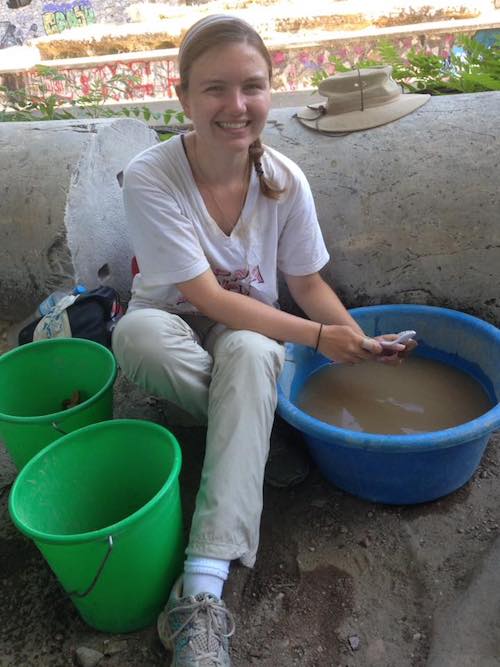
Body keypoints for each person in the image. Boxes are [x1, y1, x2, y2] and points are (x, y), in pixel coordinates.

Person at [112, 14, 412, 666]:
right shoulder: (152, 175)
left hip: (252, 336)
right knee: (135, 337)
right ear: (183, 94)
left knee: (250, 352)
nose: (236, 106)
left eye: (253, 86)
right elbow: (210, 299)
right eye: (216, 89)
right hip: (177, 325)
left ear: (273, 92)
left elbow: (306, 283)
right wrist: (318, 337)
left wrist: (357, 343)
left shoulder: (285, 179)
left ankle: (200, 590)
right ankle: (259, 431)